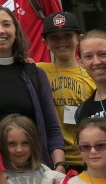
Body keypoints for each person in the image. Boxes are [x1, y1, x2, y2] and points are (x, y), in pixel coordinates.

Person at [0, 6, 65, 169]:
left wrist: (59, 165)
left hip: (35, 170)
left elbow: (51, 127)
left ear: (16, 32)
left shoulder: (36, 75)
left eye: (6, 24)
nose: (1, 31)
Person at [38, 12, 95, 172]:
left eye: (67, 35)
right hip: (53, 158)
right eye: (54, 37)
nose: (61, 41)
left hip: (87, 157)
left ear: (79, 39)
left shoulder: (91, 74)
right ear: (45, 42)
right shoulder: (38, 71)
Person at [74, 30, 106, 122]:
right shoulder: (82, 112)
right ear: (81, 62)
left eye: (102, 54)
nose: (96, 62)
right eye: (88, 56)